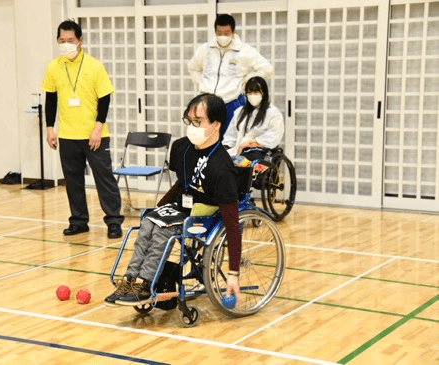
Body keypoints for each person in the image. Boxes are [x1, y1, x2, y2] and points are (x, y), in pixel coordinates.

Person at [105, 93, 242, 307]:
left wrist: (233, 272)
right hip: (181, 205)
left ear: (216, 125)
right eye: (190, 121)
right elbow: (181, 182)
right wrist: (159, 207)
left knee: (162, 231)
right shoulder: (182, 147)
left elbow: (233, 225)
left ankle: (146, 283)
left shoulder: (222, 168)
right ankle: (130, 280)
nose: (193, 127)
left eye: (199, 122)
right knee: (148, 222)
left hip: (202, 213)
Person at [41, 20, 123, 239]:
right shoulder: (53, 66)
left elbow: (104, 100)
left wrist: (97, 128)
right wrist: (50, 128)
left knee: (104, 179)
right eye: (62, 41)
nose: (66, 44)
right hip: (67, 135)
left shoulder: (94, 66)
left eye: (70, 40)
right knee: (73, 181)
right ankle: (78, 220)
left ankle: (114, 221)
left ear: (80, 41)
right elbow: (50, 100)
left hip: (94, 135)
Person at [187, 14, 274, 137]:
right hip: (206, 103)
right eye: (219, 32)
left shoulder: (244, 50)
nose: (222, 36)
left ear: (233, 32)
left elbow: (268, 69)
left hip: (231, 102)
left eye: (226, 33)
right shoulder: (205, 49)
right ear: (215, 31)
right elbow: (192, 67)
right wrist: (201, 83)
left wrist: (248, 79)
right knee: (204, 139)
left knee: (230, 142)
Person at [223, 76, 284, 166]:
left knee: (247, 158)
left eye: (256, 92)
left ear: (264, 93)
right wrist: (226, 147)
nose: (252, 96)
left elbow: (274, 135)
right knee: (219, 157)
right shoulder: (239, 112)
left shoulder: (273, 113)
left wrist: (255, 142)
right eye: (249, 92)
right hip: (239, 149)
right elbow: (230, 136)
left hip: (260, 150)